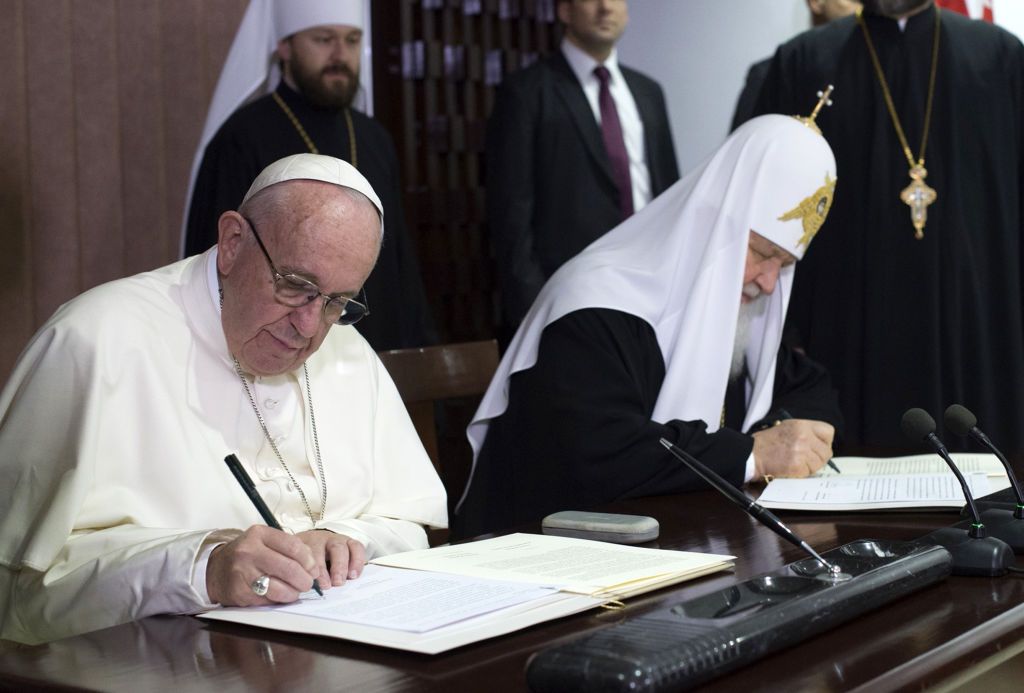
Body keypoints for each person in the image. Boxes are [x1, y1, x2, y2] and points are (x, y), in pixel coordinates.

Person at [0, 154, 448, 645]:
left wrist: (344, 541)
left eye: (338, 301)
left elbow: (411, 524)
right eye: (297, 286)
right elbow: (20, 589)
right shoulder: (93, 340)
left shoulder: (347, 349)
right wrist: (202, 569)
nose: (309, 327)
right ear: (233, 243)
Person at [454, 113, 843, 538]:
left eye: (784, 266)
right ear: (715, 223)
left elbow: (810, 388)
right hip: (543, 555)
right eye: (760, 252)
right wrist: (753, 455)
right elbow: (600, 455)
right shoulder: (595, 304)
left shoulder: (737, 310)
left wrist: (794, 438)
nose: (769, 282)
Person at [749, 0, 1024, 451]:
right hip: (847, 328)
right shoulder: (803, 61)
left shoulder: (999, 56)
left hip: (976, 325)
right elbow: (761, 212)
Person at [184, 0, 435, 351]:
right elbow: (215, 258)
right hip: (278, 346)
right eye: (323, 39)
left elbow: (399, 262)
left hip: (375, 350)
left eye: (351, 41)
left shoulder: (374, 137)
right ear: (284, 46)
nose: (340, 54)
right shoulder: (241, 138)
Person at [486, 0, 679, 334]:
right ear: (564, 10)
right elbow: (510, 215)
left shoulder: (648, 93)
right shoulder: (526, 93)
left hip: (650, 293)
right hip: (566, 300)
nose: (605, 8)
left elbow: (670, 197)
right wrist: (537, 312)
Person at [730, 0, 861, 131]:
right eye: (854, 0)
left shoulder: (863, 77)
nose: (861, 7)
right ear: (816, 2)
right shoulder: (767, 74)